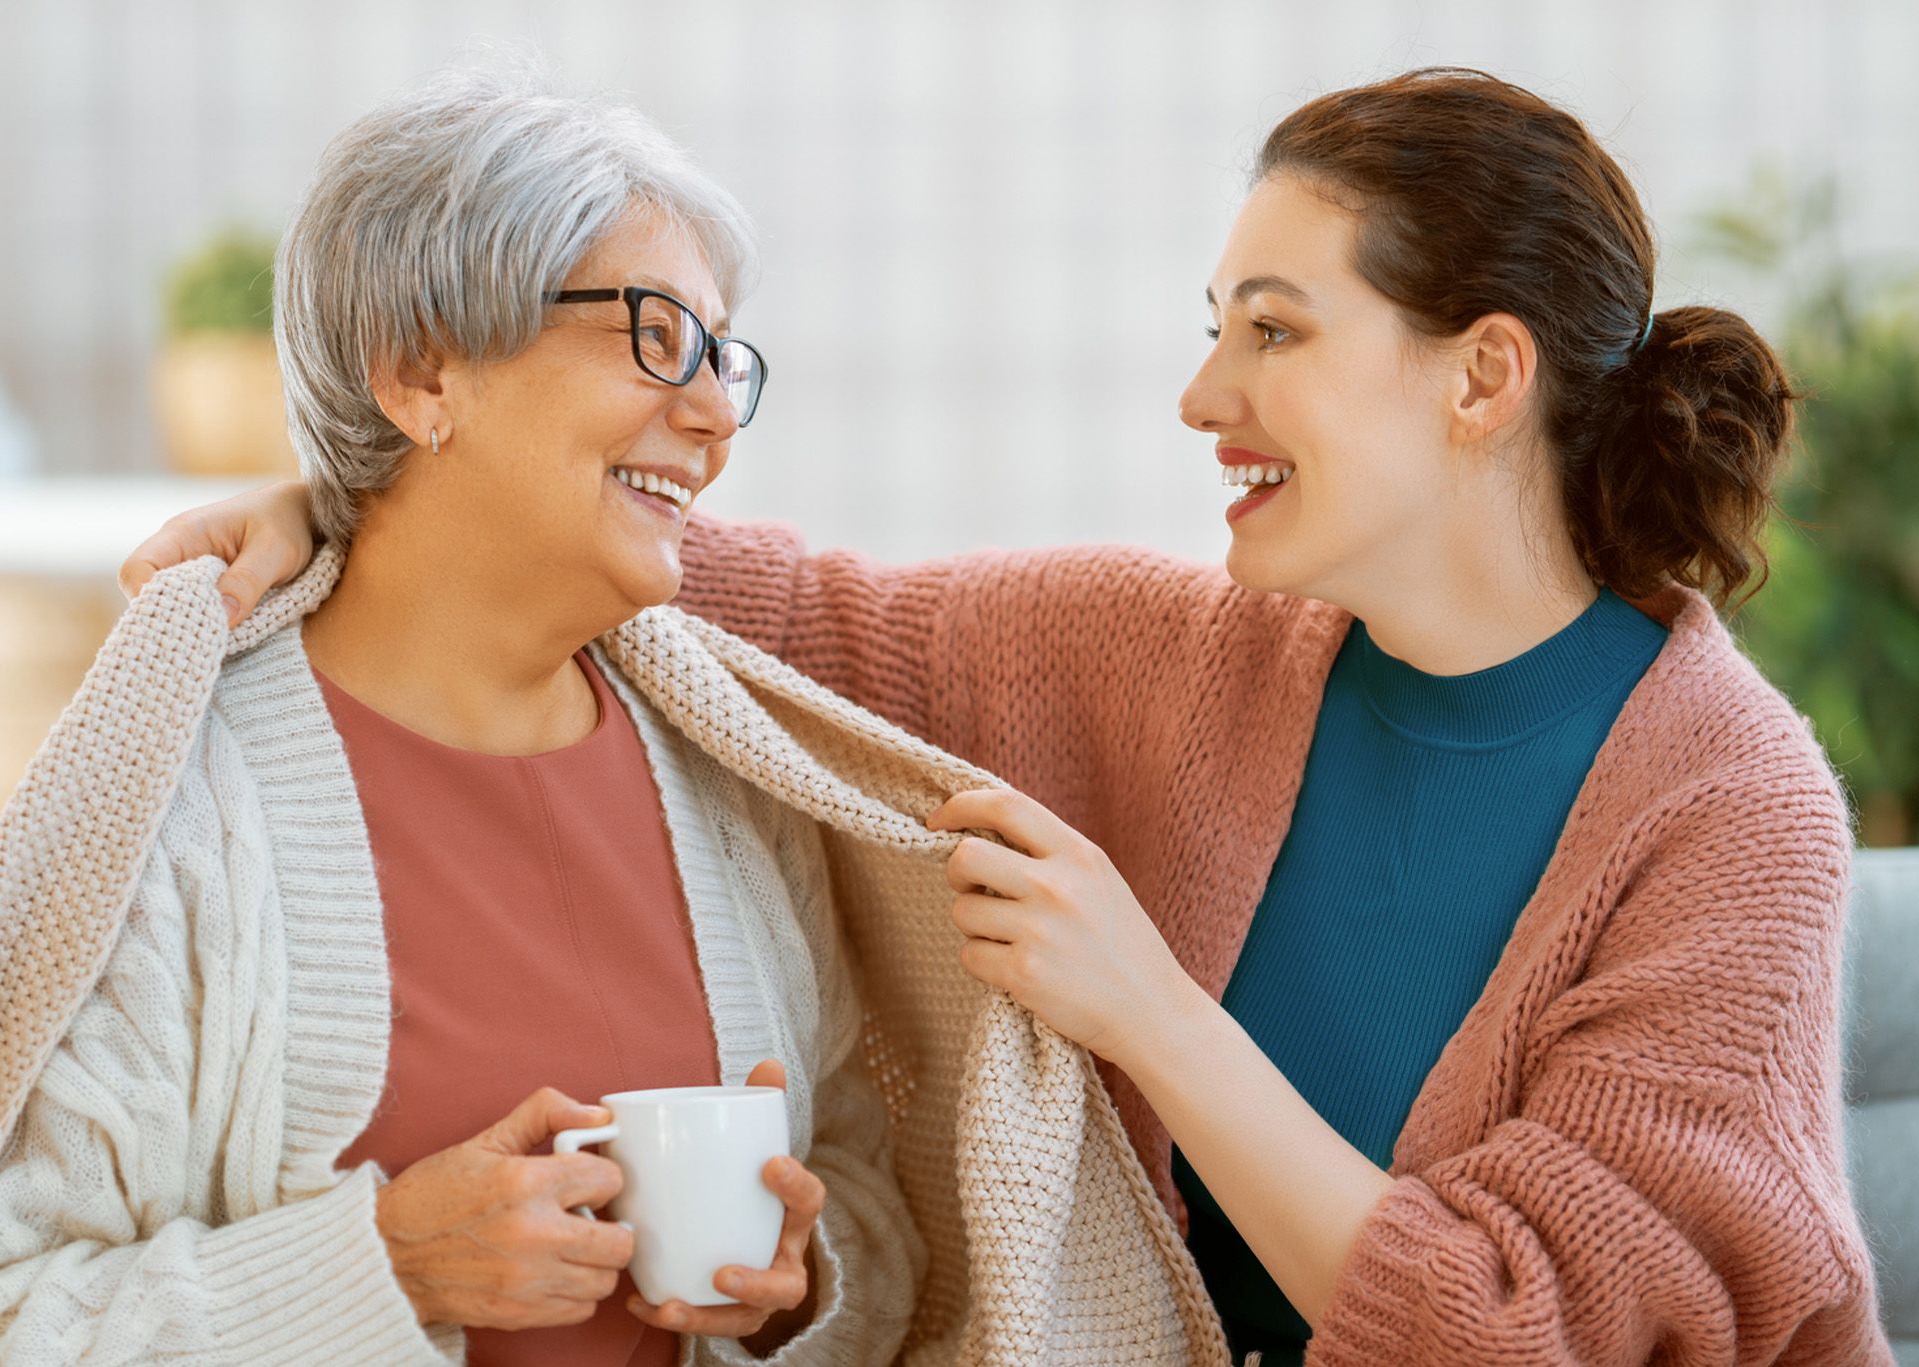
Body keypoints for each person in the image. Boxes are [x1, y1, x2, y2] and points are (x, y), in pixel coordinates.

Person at [124, 68, 1892, 1365]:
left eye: (1273, 331)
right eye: (1215, 328)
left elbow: (1522, 1336)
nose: (1207, 393)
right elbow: (745, 603)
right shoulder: (1158, 661)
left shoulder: (1732, 813)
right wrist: (339, 501)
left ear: (1483, 378)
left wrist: (1153, 1019)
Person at [0, 66, 924, 1366]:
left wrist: (796, 1295)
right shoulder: (181, 811)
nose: (716, 413)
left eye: (726, 358)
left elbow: (880, 1221)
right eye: (658, 336)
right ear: (418, 369)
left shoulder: (734, 784)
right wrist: (382, 1265)